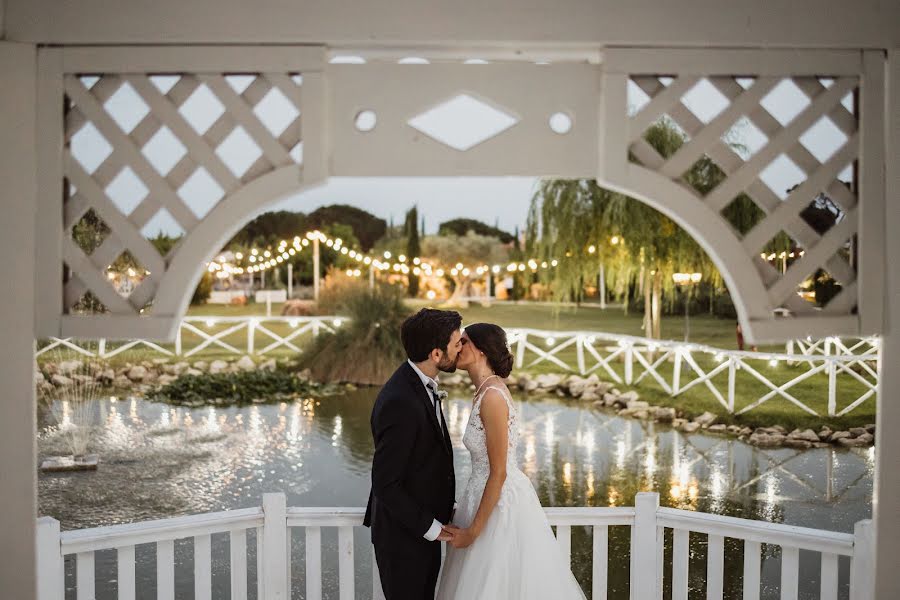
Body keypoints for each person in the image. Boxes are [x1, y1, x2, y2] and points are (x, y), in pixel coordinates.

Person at [436, 323, 586, 599]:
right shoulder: (482, 392)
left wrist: (472, 532)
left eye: (464, 342)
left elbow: (499, 472)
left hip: (500, 507)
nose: (458, 347)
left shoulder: (492, 397)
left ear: (480, 350)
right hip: (480, 497)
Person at [363, 308, 463, 599]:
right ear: (435, 354)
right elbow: (386, 483)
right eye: (456, 344)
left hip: (418, 533)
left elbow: (422, 464)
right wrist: (431, 528)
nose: (460, 349)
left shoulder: (417, 384)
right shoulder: (401, 401)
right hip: (403, 540)